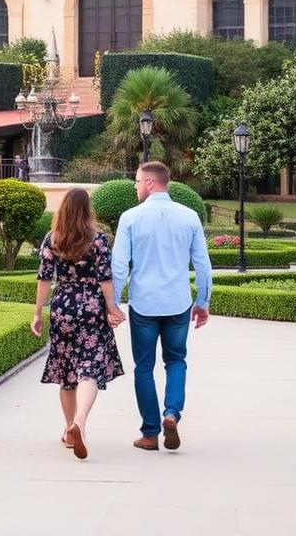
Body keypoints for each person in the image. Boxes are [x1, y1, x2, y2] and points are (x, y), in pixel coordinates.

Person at [111, 162, 212, 452]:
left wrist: (113, 303)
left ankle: (150, 433)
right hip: (178, 302)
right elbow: (203, 266)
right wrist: (203, 302)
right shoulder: (190, 216)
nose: (135, 186)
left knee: (144, 368)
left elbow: (119, 266)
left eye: (138, 181)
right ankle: (171, 413)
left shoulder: (130, 218)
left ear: (151, 184)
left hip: (144, 304)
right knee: (176, 361)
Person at [31, 187, 125, 460]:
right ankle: (80, 422)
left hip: (63, 306)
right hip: (91, 306)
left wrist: (37, 313)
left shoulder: (53, 238)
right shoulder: (97, 239)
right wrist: (111, 307)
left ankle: (68, 428)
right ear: (87, 210)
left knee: (66, 371)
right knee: (90, 368)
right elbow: (105, 278)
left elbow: (44, 279)